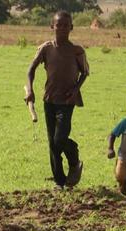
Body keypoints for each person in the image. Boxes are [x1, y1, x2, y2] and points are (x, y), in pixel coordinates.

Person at [25, 11, 90, 190]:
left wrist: (76, 89)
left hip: (67, 101)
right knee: (52, 143)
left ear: (71, 27)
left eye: (65, 25)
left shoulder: (77, 51)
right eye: (58, 25)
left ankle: (74, 160)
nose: (61, 28)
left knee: (59, 139)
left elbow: (85, 72)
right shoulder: (46, 48)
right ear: (51, 26)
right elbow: (30, 70)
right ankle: (59, 181)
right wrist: (30, 90)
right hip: (49, 100)